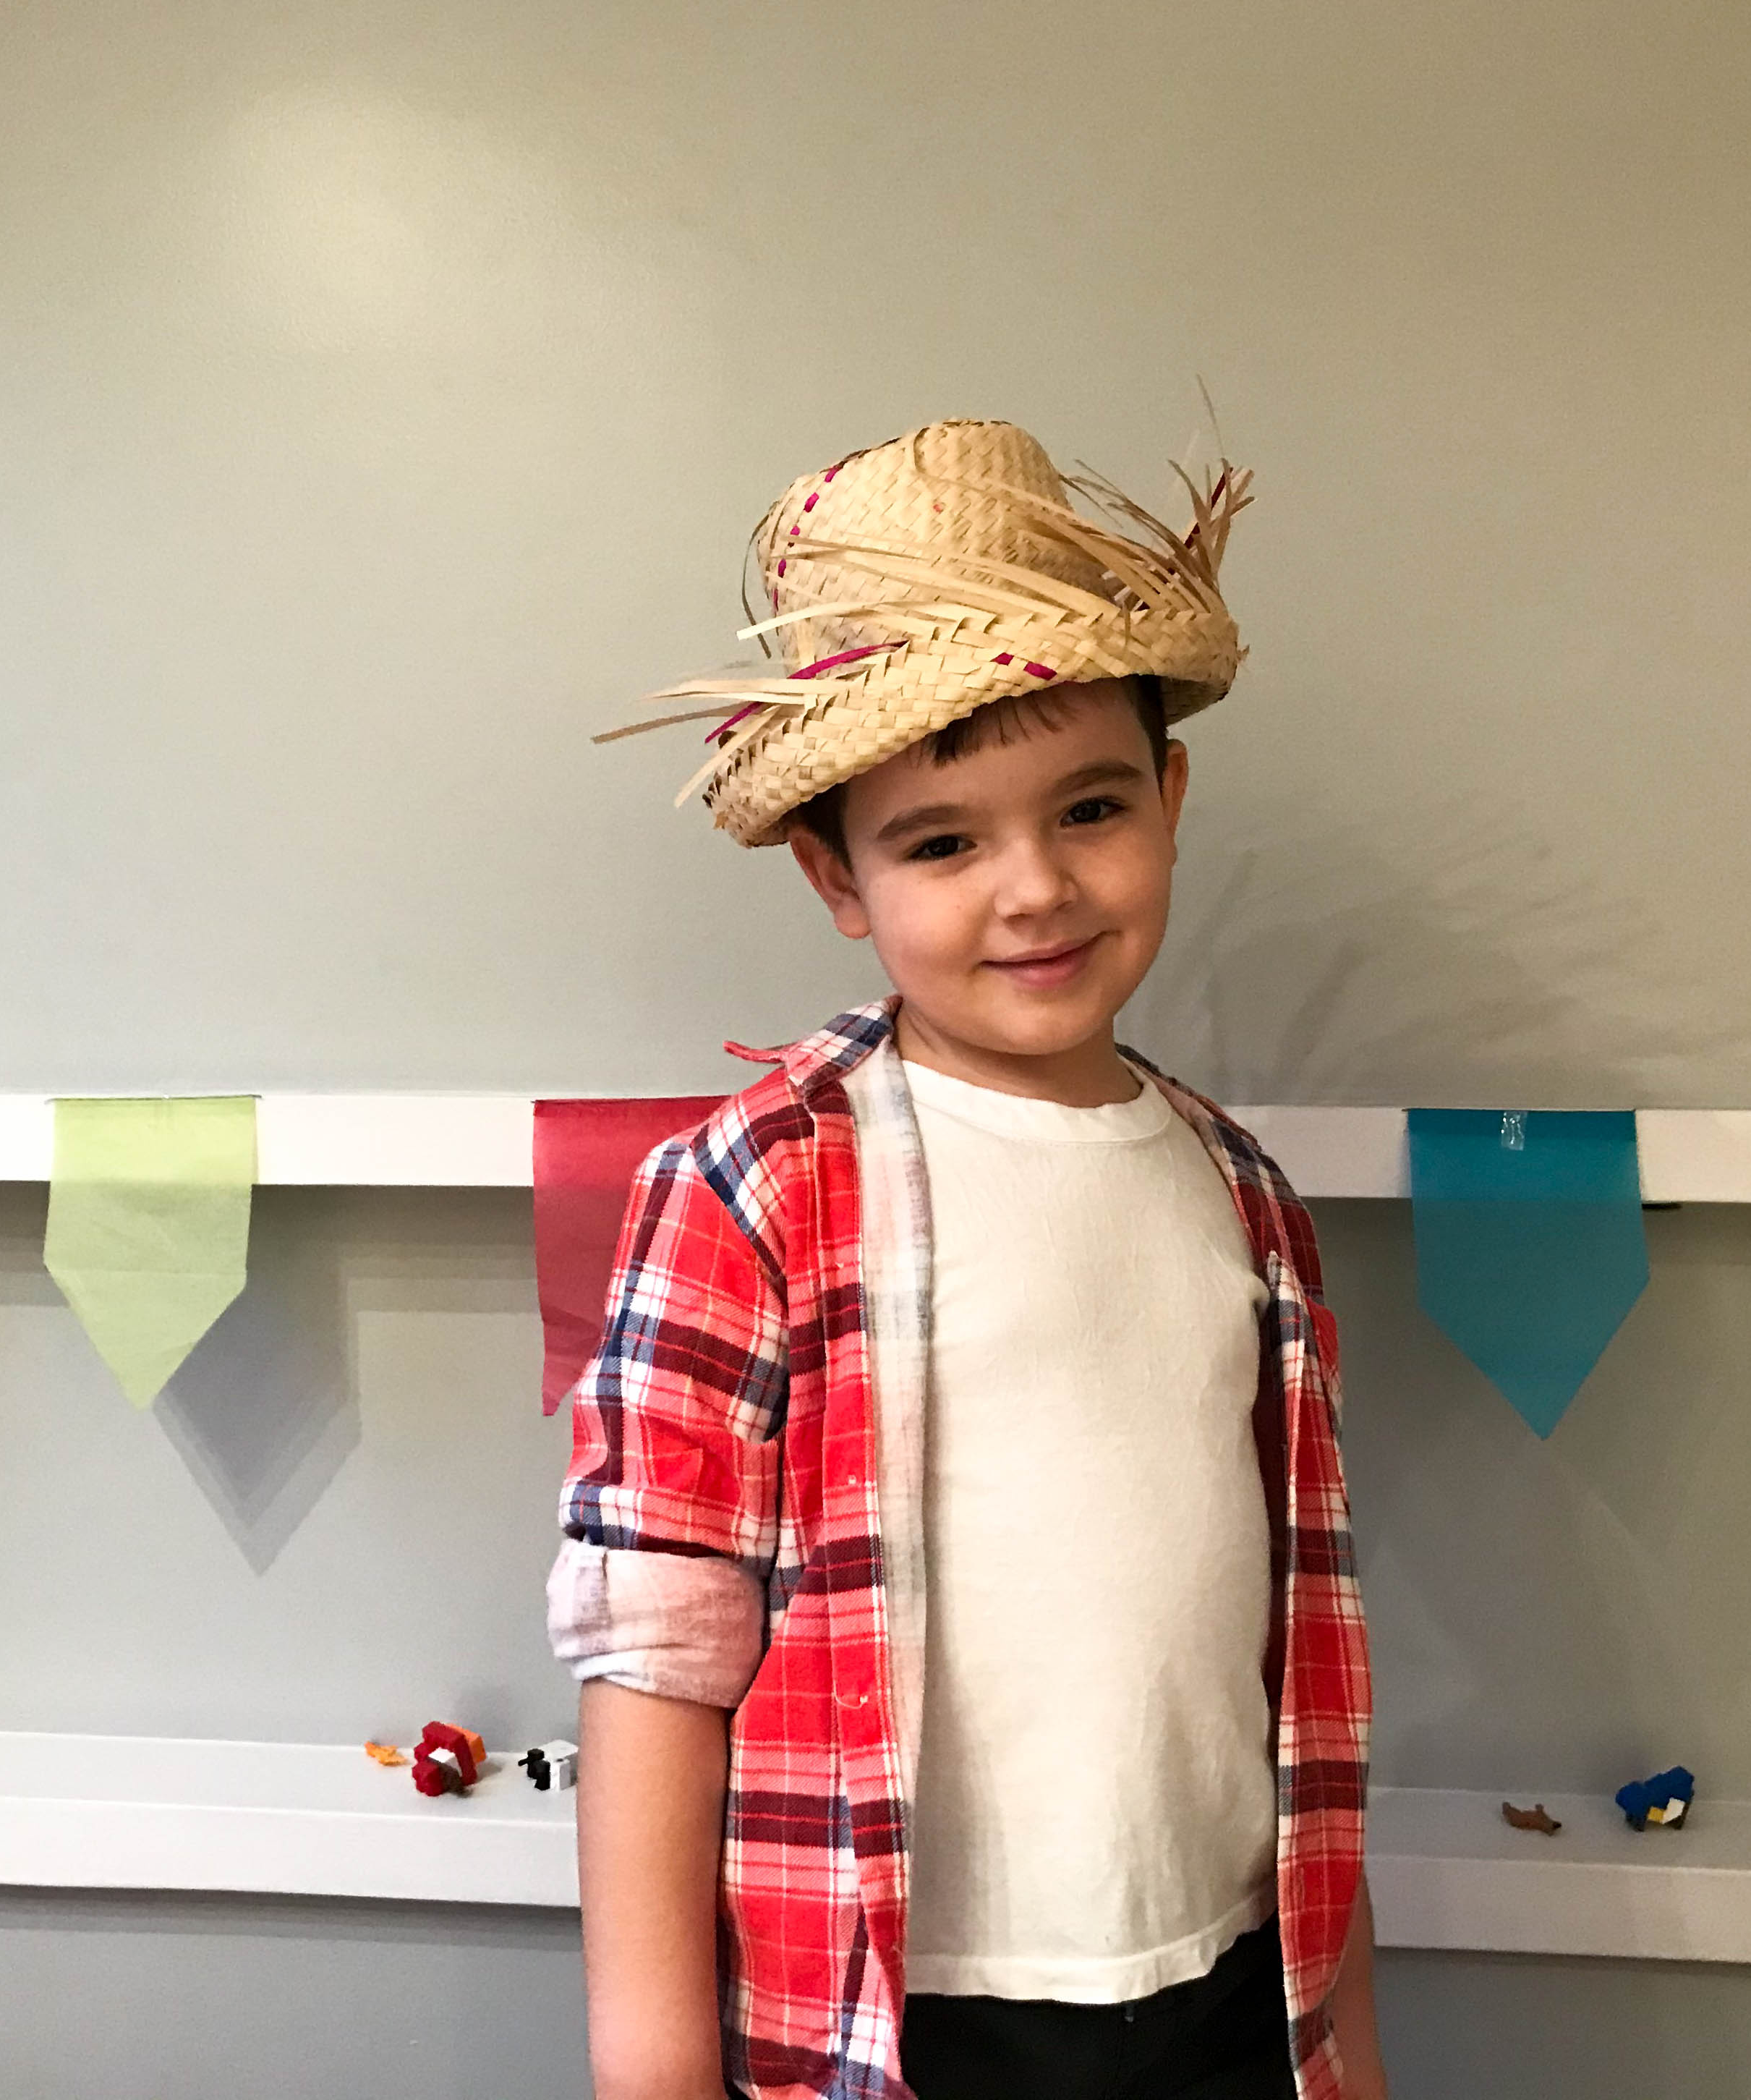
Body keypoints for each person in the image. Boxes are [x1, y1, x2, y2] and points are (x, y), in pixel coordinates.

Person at [550, 419, 1380, 2100]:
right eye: (941, 842)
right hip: (904, 2018)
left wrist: (1343, 2046)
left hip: (1230, 1989)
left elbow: (1297, 1663)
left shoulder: (1243, 1196)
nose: (1036, 889)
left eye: (1091, 808)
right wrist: (653, 2074)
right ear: (835, 875)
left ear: (1170, 799)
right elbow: (657, 1652)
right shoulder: (755, 1187)